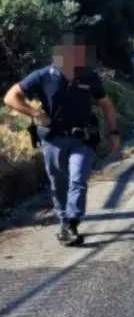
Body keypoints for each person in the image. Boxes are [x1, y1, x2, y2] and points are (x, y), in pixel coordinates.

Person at [3, 31, 121, 246]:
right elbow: (11, 97)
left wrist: (114, 133)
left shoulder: (89, 76)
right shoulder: (43, 76)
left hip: (82, 138)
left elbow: (106, 104)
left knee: (78, 179)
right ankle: (64, 221)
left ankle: (72, 222)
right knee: (59, 183)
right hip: (53, 139)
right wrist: (36, 113)